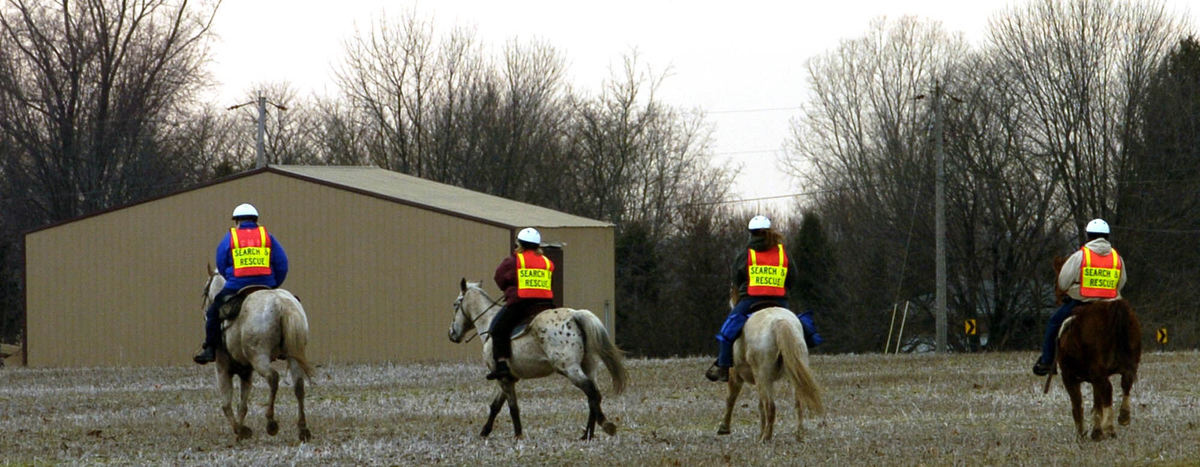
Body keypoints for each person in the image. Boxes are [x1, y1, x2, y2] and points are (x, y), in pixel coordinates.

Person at [193, 203, 289, 364]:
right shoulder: (267, 237)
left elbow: (221, 263)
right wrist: (274, 284)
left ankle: (210, 349)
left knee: (213, 312)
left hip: (238, 285)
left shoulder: (231, 237)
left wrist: (232, 279)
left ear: (236, 221)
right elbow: (282, 263)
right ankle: (285, 345)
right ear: (256, 220)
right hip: (266, 284)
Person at [706, 215, 798, 382]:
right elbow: (793, 277)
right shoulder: (783, 253)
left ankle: (723, 366)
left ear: (751, 234)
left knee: (727, 331)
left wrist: (743, 290)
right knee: (800, 328)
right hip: (780, 301)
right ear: (770, 232)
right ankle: (801, 358)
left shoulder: (746, 254)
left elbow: (737, 277)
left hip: (751, 300)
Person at [1032, 218, 1126, 376]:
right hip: (1110, 303)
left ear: (1088, 236)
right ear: (1107, 237)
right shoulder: (1117, 258)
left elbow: (1063, 282)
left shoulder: (1080, 256)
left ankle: (1047, 362)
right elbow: (1121, 282)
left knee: (1054, 322)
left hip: (1082, 302)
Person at [487, 227, 556, 381]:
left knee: (497, 329)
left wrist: (509, 289)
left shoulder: (513, 261)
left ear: (520, 244)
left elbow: (499, 278)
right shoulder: (547, 262)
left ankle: (502, 365)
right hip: (545, 304)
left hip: (521, 303)